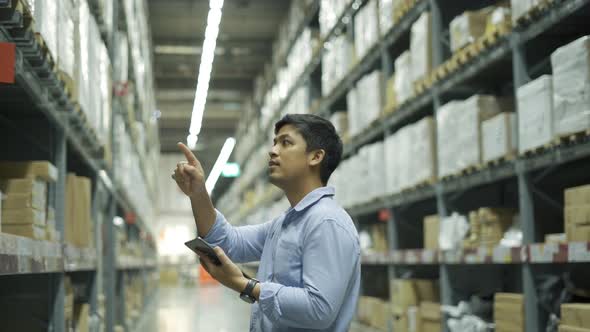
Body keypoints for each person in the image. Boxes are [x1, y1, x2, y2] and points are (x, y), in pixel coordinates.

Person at [172, 114, 360, 331]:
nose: (273, 150)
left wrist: (246, 285)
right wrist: (198, 193)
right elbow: (229, 242)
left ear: (316, 157)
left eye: (285, 143)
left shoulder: (327, 222)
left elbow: (319, 310)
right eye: (274, 142)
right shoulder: (284, 224)